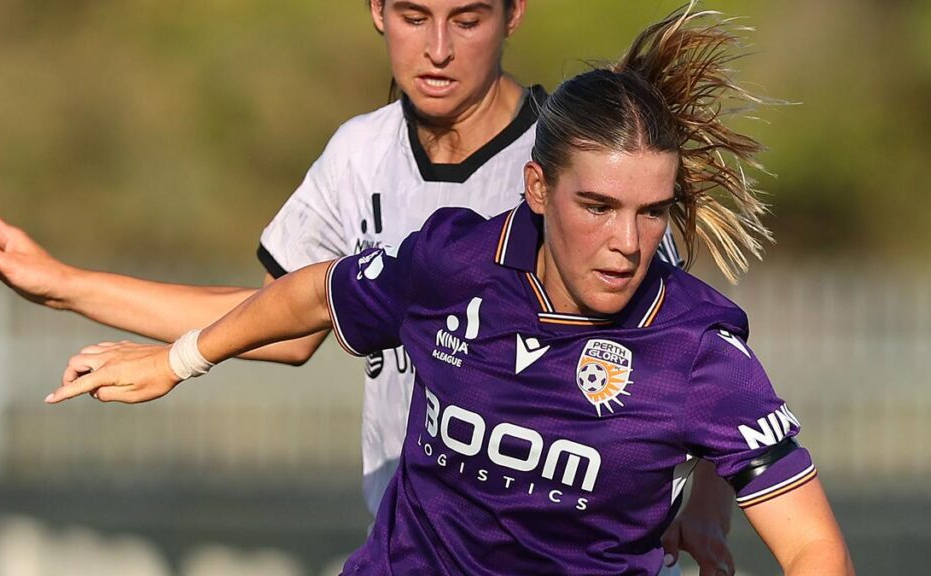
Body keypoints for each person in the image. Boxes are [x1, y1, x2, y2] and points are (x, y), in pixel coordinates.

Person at [42, 7, 855, 575]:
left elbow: (812, 546)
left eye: (650, 213)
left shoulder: (694, 344)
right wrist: (176, 361)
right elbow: (313, 295)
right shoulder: (454, 259)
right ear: (537, 190)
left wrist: (708, 504)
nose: (626, 242)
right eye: (598, 208)